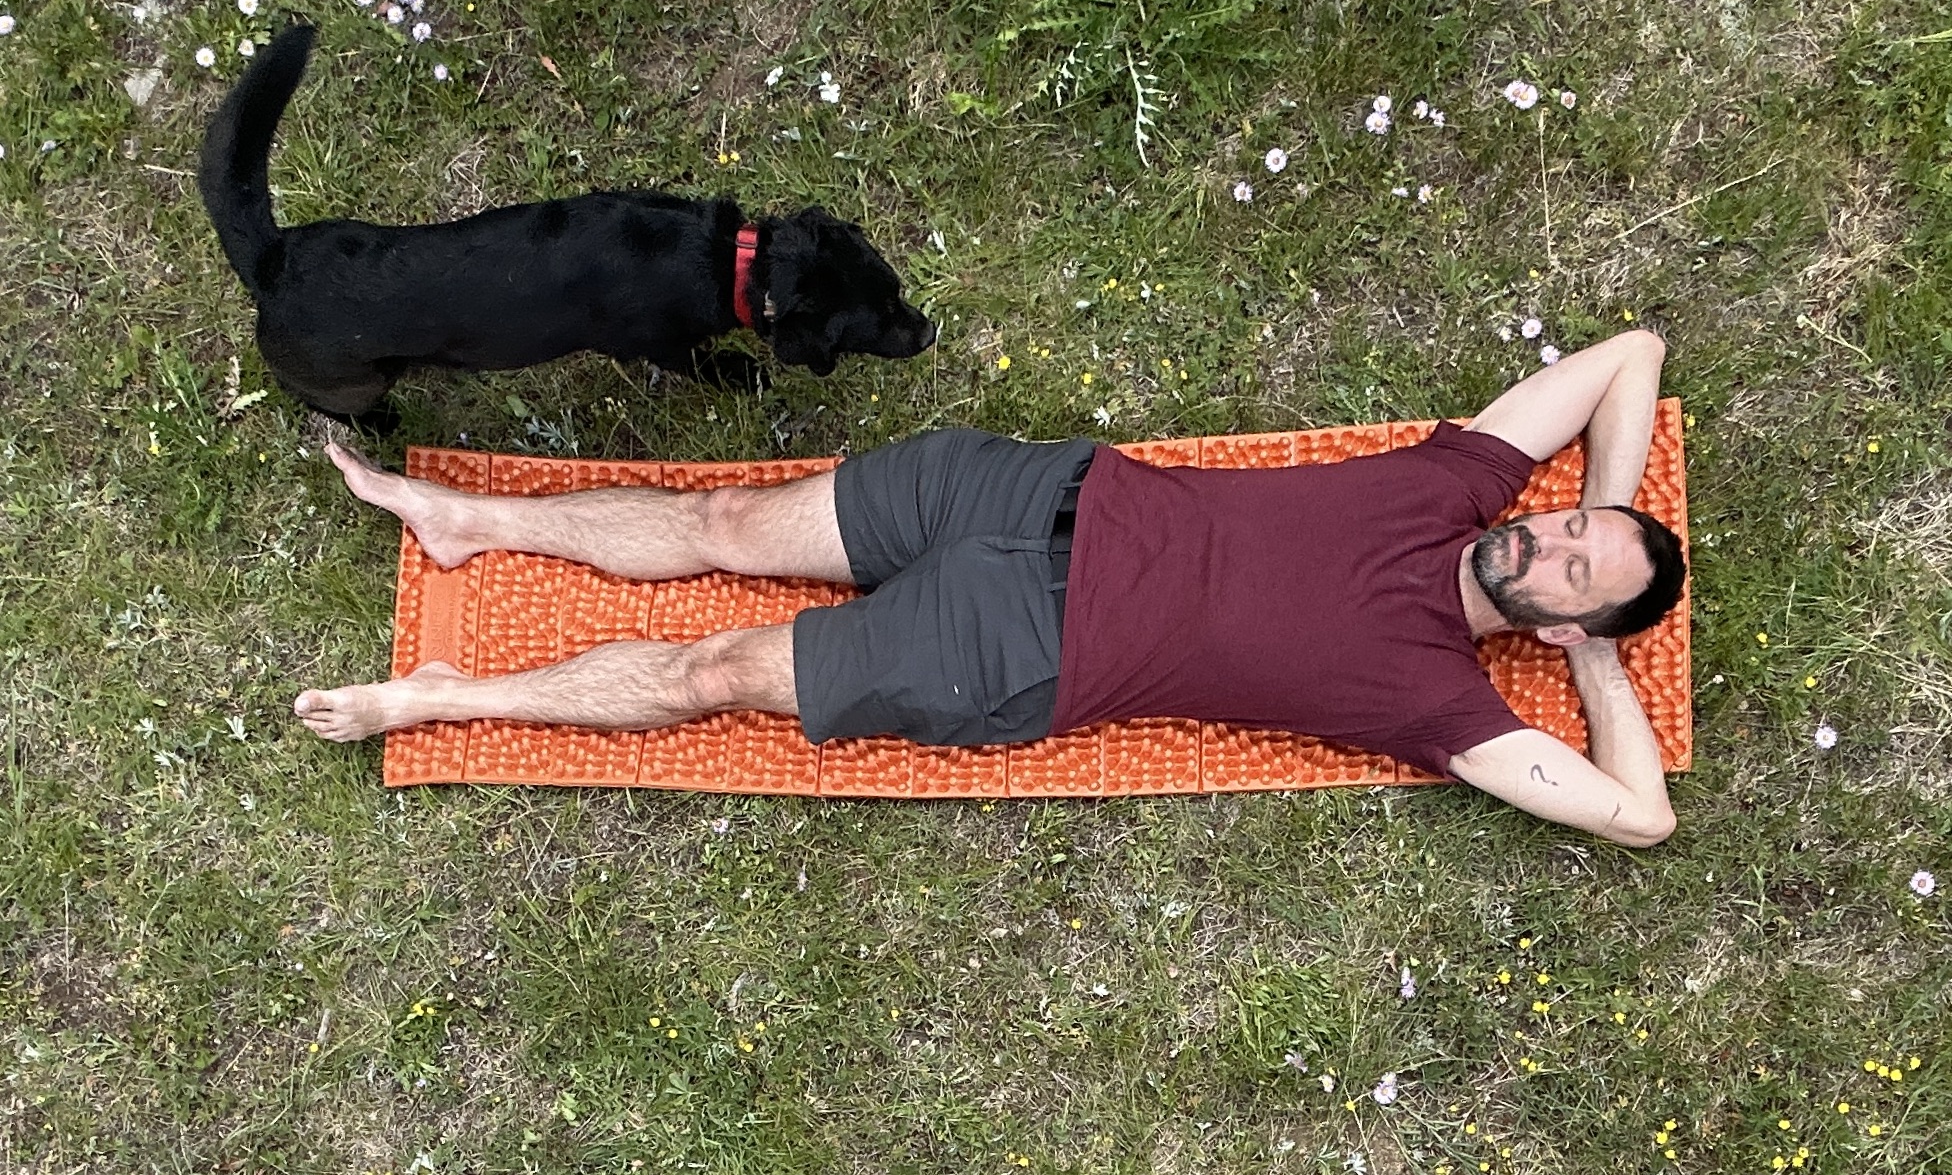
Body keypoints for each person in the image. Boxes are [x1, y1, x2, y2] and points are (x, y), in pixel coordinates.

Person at [296, 329, 1686, 847]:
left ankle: (442, 693)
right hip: (1023, 489)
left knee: (714, 668)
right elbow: (1634, 353)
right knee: (725, 512)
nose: (1552, 541)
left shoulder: (1438, 698)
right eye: (1574, 525)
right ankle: (470, 521)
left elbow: (1639, 814)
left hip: (1015, 644)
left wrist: (1597, 670)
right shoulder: (1457, 482)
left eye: (1575, 573)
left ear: (1560, 619)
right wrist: (1619, 508)